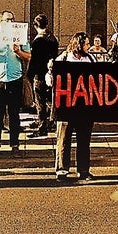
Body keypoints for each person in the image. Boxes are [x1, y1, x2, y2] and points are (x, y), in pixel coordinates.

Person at [0, 10, 31, 158]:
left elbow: (29, 57)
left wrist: (18, 51)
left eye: (12, 19)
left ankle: (15, 145)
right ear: (0, 22)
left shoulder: (20, 39)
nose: (11, 22)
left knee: (14, 115)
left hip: (14, 80)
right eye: (7, 20)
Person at [54, 32, 96, 181]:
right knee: (64, 139)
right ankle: (62, 170)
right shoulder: (64, 58)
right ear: (79, 44)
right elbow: (50, 78)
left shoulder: (91, 59)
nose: (89, 46)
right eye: (86, 44)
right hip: (66, 108)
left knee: (84, 140)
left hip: (84, 108)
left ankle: (83, 170)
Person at [27, 13, 59, 136]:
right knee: (50, 99)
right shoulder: (53, 38)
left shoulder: (37, 41)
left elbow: (34, 60)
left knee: (40, 101)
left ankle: (42, 126)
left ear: (35, 26)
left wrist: (29, 75)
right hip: (51, 73)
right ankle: (51, 121)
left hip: (40, 74)